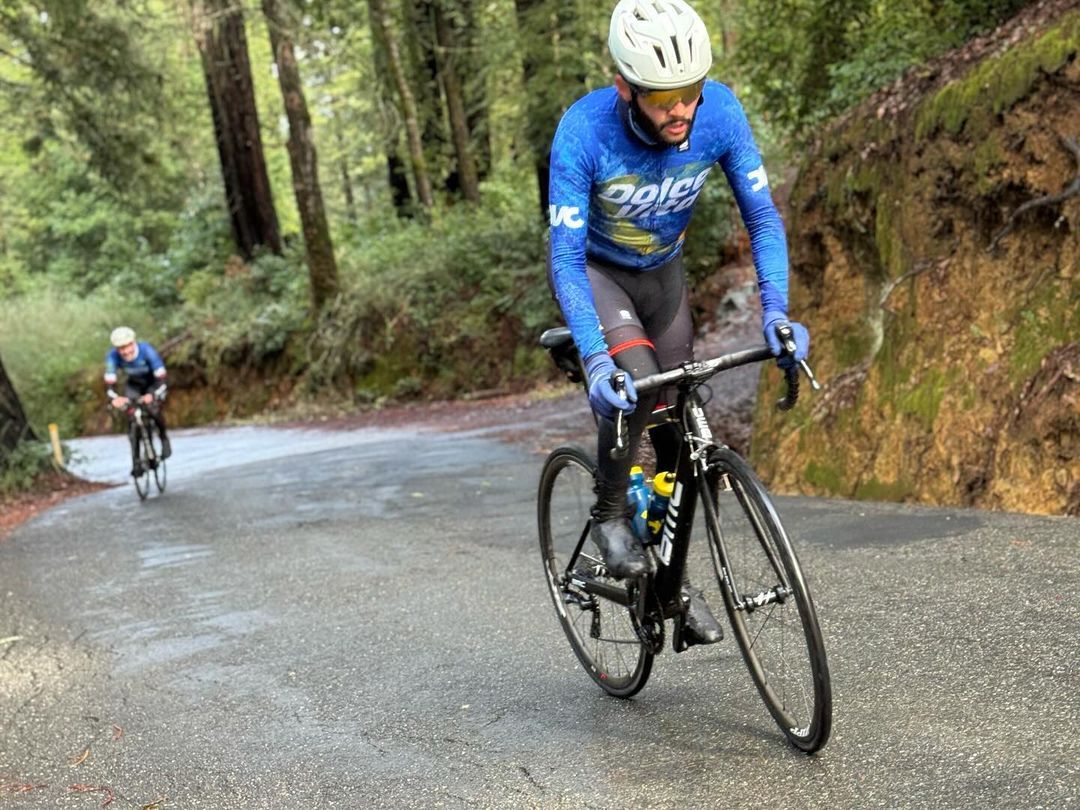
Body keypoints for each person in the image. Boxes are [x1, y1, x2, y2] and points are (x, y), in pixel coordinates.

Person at [547, 0, 810, 646]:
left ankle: (671, 584)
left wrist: (776, 310)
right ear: (625, 88)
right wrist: (595, 357)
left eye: (690, 91)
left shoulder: (720, 112)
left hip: (664, 280)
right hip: (602, 278)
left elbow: (763, 219)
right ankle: (609, 515)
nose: (682, 110)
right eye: (664, 96)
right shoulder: (583, 133)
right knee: (636, 380)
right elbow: (565, 259)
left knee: (687, 446)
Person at [104, 326, 171, 476]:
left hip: (153, 383)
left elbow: (162, 379)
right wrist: (115, 398)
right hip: (134, 385)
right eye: (121, 348)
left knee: (153, 409)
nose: (125, 351)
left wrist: (153, 395)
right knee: (131, 416)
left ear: (133, 342)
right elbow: (109, 384)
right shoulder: (112, 357)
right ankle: (136, 462)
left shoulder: (147, 351)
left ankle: (164, 438)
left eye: (127, 346)